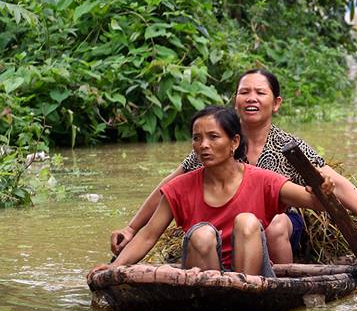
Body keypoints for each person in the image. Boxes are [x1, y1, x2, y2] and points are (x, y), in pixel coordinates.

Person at [110, 68, 357, 264]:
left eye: (260, 93)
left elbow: (330, 181)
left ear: (275, 103)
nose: (251, 98)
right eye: (244, 92)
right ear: (236, 101)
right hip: (218, 228)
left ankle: (280, 282)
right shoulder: (214, 143)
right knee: (207, 232)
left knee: (274, 224)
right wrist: (132, 228)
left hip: (273, 225)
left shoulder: (288, 146)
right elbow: (168, 190)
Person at [92, 106, 339, 278]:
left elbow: (315, 203)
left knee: (247, 221)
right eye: (197, 138)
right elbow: (148, 236)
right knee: (202, 234)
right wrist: (115, 267)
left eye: (213, 137)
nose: (203, 146)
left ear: (234, 142)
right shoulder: (179, 188)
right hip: (204, 276)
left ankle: (245, 292)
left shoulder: (265, 180)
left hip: (251, 277)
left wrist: (324, 192)